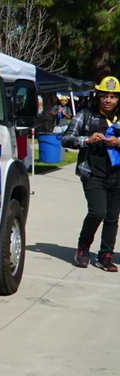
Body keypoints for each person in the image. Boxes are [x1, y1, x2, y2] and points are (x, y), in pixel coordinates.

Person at [61, 76, 120, 271]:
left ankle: (106, 256)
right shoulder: (85, 115)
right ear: (98, 96)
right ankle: (83, 248)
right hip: (93, 173)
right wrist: (87, 140)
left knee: (112, 217)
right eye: (104, 96)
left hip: (116, 175)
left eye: (113, 96)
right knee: (97, 212)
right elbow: (66, 139)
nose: (108, 100)